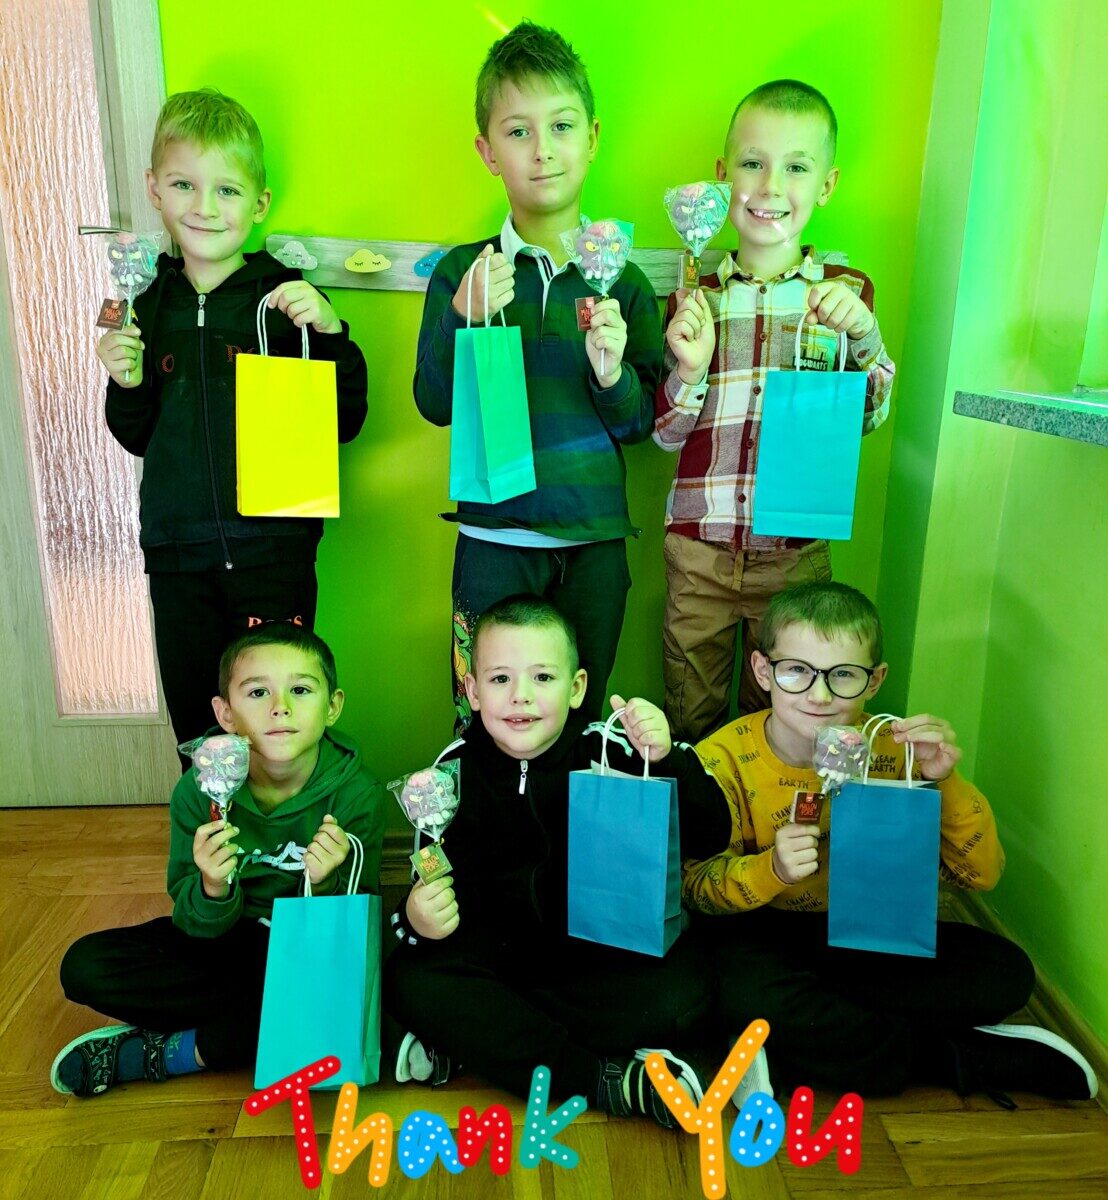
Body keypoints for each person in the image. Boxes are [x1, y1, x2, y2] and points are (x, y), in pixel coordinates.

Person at [683, 581, 1098, 1105]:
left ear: (875, 680)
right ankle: (956, 1057)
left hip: (869, 934)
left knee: (1007, 974)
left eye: (843, 675)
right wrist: (773, 870)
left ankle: (786, 1037)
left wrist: (944, 781)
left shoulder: (897, 749)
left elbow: (982, 874)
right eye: (797, 671)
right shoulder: (720, 758)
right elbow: (694, 887)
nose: (819, 695)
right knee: (734, 983)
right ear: (763, 671)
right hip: (765, 935)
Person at [383, 596, 732, 1127]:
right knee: (410, 982)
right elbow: (424, 885)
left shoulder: (613, 753)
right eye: (499, 679)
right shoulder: (446, 776)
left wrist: (668, 758)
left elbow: (712, 836)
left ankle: (484, 1042)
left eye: (543, 677)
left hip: (594, 967)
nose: (520, 696)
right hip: (494, 961)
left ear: (577, 688)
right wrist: (414, 919)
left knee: (685, 995)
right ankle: (604, 1081)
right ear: (472, 692)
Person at [99, 88, 368, 759]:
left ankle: (292, 827)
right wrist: (124, 383)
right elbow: (135, 434)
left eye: (226, 190)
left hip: (273, 553)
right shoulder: (144, 305)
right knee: (200, 723)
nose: (205, 207)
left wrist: (332, 333)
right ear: (154, 189)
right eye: (184, 185)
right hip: (178, 557)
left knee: (279, 721)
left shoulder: (285, 299)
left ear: (259, 204)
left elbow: (346, 420)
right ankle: (211, 828)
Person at [413, 22, 663, 730]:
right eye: (518, 131)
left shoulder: (624, 282)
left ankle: (568, 811)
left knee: (577, 723)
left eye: (561, 125)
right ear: (488, 152)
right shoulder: (463, 272)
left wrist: (611, 374)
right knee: (480, 720)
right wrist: (461, 319)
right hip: (493, 543)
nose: (543, 149)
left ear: (593, 137)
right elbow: (433, 402)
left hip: (594, 545)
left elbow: (639, 424)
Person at [654, 80, 896, 741]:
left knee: (788, 724)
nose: (770, 186)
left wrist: (866, 340)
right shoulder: (693, 301)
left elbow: (865, 420)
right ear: (722, 177)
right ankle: (703, 813)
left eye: (796, 167)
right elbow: (667, 435)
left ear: (827, 184)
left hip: (794, 556)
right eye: (752, 163)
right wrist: (690, 371)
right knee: (690, 718)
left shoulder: (845, 296)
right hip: (699, 550)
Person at [52, 623, 385, 1097]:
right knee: (85, 966)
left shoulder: (358, 794)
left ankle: (179, 1052)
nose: (280, 707)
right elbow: (192, 923)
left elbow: (354, 930)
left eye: (300, 690)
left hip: (303, 952)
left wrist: (326, 883)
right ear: (225, 713)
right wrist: (213, 886)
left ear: (332, 706)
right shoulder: (198, 791)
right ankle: (259, 1027)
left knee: (341, 994)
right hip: (224, 945)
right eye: (257, 692)